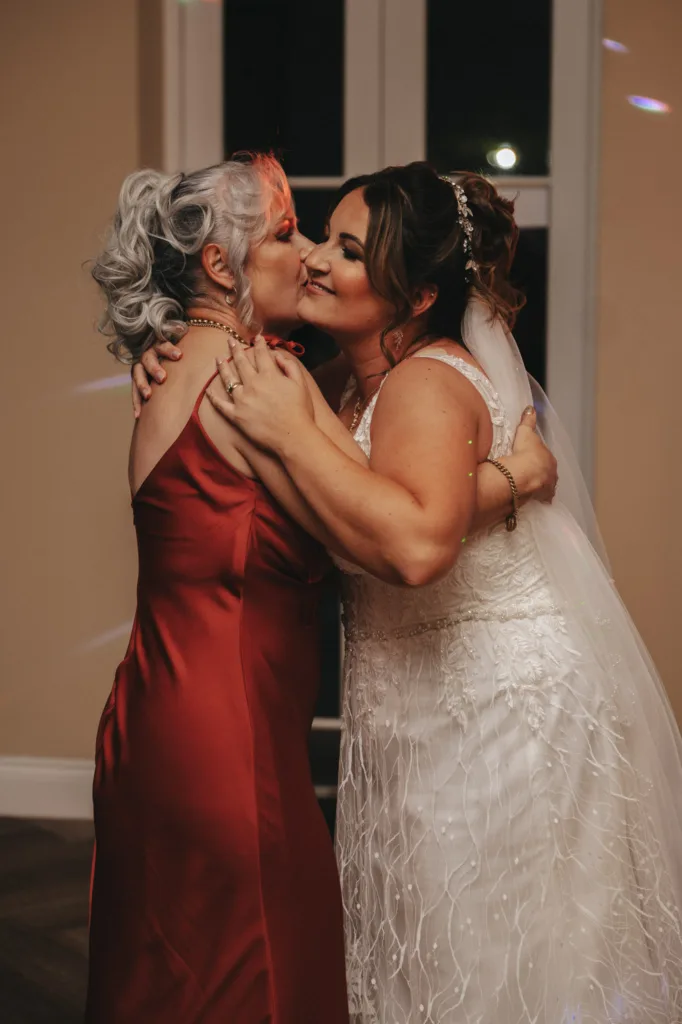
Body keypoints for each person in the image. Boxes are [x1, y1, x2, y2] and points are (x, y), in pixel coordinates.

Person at [206, 162, 682, 1023]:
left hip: (499, 705)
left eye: (349, 252)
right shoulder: (346, 383)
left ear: (417, 294)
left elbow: (418, 547)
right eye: (322, 235)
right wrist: (171, 343)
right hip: (409, 700)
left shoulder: (426, 381)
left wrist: (290, 433)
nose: (314, 258)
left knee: (498, 953)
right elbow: (355, 510)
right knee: (426, 940)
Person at [88, 153, 554, 1023]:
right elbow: (406, 533)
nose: (305, 254)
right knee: (266, 981)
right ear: (222, 267)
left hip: (157, 719)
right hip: (226, 748)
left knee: (168, 983)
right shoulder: (257, 379)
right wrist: (514, 473)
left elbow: (369, 472)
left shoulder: (201, 364)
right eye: (286, 234)